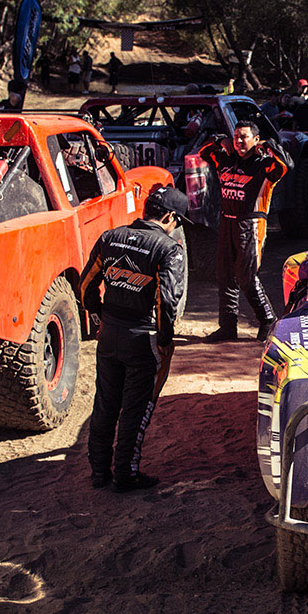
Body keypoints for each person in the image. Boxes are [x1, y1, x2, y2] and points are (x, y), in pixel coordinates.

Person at [80, 185, 190, 491]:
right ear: (169, 216)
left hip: (109, 333)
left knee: (105, 404)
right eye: (178, 221)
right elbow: (167, 302)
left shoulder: (110, 237)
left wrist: (97, 313)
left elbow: (86, 282)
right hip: (143, 338)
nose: (177, 227)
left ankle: (99, 471)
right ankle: (125, 475)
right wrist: (166, 339)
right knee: (136, 409)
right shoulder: (168, 249)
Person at [199, 120, 291, 340]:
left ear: (255, 140)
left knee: (247, 277)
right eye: (236, 136)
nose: (239, 141)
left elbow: (287, 164)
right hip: (227, 222)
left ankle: (268, 321)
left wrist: (268, 145)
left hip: (251, 224)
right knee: (224, 275)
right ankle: (228, 327)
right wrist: (220, 139)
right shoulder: (225, 159)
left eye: (245, 137)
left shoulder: (265, 164)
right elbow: (204, 152)